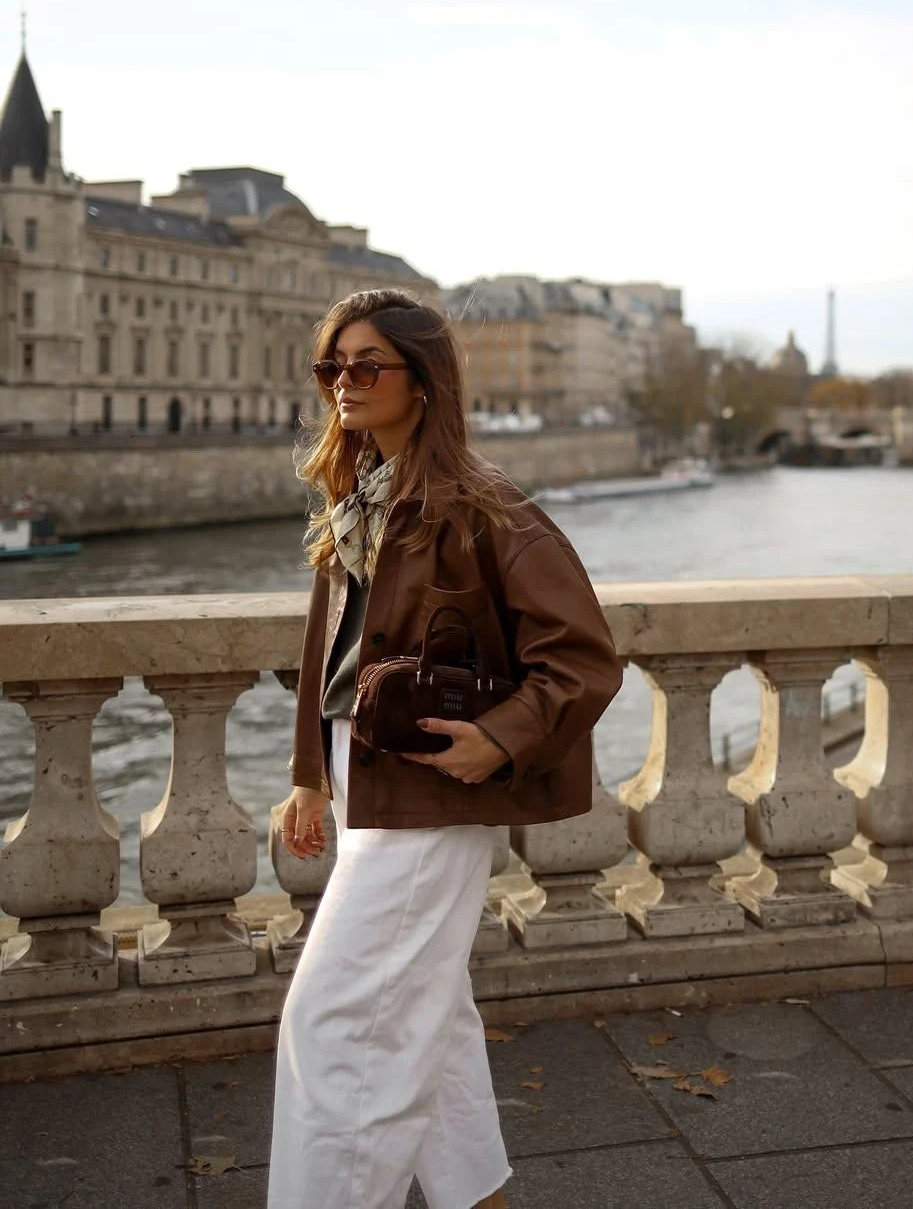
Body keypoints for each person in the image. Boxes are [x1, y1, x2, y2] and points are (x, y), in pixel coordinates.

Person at [267, 288, 624, 1209]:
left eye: (367, 365)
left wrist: (499, 738)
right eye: (331, 366)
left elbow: (583, 656)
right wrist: (309, 777)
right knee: (429, 1014)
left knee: (335, 1022)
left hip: (432, 793)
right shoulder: (359, 496)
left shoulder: (483, 506)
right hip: (362, 776)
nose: (344, 383)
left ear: (422, 381)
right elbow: (329, 653)